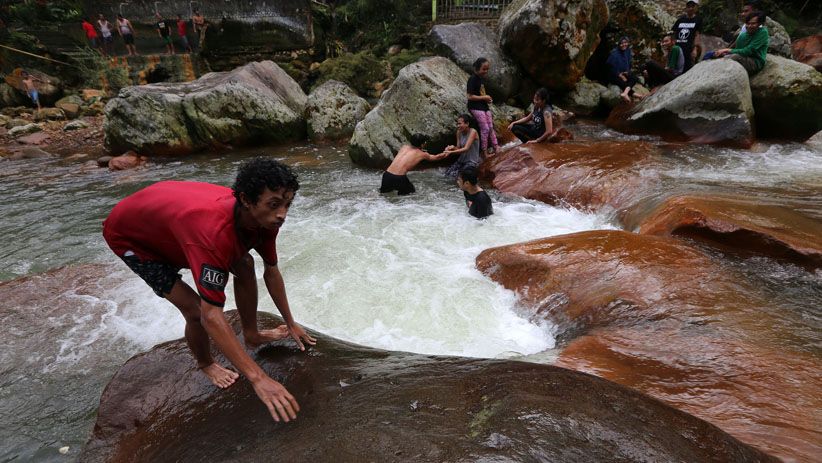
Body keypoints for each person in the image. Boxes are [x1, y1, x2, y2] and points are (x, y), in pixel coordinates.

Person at [102, 158, 317, 422]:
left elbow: (271, 271)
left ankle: (251, 334)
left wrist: (290, 322)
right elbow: (211, 316)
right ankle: (205, 363)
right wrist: (259, 379)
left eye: (287, 204)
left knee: (245, 263)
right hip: (131, 236)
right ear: (247, 201)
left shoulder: (266, 220)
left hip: (170, 223)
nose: (282, 213)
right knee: (194, 310)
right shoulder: (214, 235)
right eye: (274, 204)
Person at [379, 134, 447, 195]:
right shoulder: (422, 154)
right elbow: (436, 157)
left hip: (387, 175)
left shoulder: (404, 147)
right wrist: (447, 152)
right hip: (399, 178)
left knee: (383, 195)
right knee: (410, 194)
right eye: (424, 142)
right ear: (422, 144)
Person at [712, 11, 769, 75]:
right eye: (748, 23)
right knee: (712, 54)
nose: (750, 26)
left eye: (753, 23)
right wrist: (725, 53)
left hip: (755, 62)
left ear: (759, 24)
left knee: (734, 57)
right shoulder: (743, 35)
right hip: (744, 58)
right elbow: (738, 49)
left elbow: (747, 51)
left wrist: (727, 50)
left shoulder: (762, 32)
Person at [467, 57, 499, 157]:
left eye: (487, 69)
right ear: (477, 68)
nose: (486, 71)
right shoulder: (472, 79)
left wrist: (487, 99)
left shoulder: (481, 79)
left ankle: (496, 147)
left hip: (483, 106)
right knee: (484, 128)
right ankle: (484, 152)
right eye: (484, 69)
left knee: (490, 127)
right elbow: (470, 96)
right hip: (475, 107)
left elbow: (481, 94)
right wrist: (484, 97)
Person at [442, 114, 481, 178]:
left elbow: (466, 148)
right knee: (446, 175)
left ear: (467, 124)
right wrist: (452, 148)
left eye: (460, 124)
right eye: (457, 124)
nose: (458, 126)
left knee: (462, 178)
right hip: (461, 161)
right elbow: (458, 148)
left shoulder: (473, 132)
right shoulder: (459, 132)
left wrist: (451, 152)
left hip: (471, 162)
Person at [672, 0, 703, 71]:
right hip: (678, 48)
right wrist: (672, 46)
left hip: (689, 49)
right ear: (686, 8)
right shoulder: (680, 20)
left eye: (693, 6)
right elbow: (674, 33)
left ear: (696, 8)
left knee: (687, 69)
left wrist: (695, 49)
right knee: (676, 69)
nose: (690, 8)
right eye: (689, 6)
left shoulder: (698, 20)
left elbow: (697, 35)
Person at [606, 36, 637, 102]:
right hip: (614, 75)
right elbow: (609, 67)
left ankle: (625, 93)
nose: (624, 45)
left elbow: (628, 63)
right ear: (619, 44)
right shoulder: (614, 53)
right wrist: (620, 75)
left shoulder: (627, 51)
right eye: (621, 43)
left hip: (623, 72)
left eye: (625, 42)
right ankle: (635, 94)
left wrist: (627, 72)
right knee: (623, 83)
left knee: (634, 78)